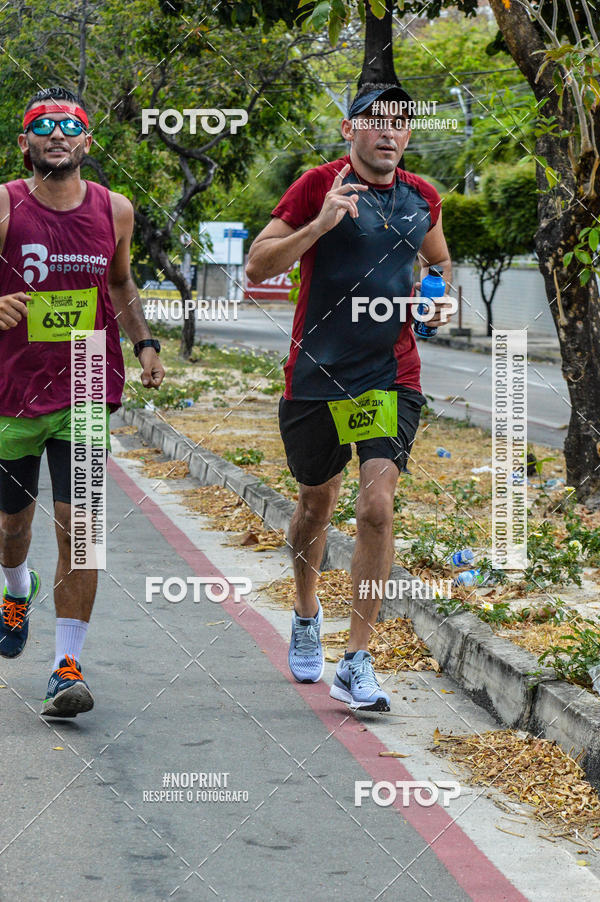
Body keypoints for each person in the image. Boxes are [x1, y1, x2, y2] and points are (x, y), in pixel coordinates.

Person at [246, 84, 453, 711]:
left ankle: (358, 660)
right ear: (349, 130)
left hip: (389, 373)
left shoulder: (423, 198)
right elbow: (257, 267)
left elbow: (438, 265)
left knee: (376, 508)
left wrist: (437, 300)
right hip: (316, 374)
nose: (388, 133)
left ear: (408, 135)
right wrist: (320, 224)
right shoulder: (316, 185)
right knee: (314, 502)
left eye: (399, 124)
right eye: (374, 122)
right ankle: (307, 612)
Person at [0, 86, 164, 717]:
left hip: (88, 378)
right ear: (26, 143)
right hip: (13, 390)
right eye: (44, 125)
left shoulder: (114, 209)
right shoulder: (7, 206)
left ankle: (66, 666)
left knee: (84, 528)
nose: (58, 134)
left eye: (71, 125)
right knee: (13, 528)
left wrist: (144, 341)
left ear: (88, 141)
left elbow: (118, 280)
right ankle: (17, 588)